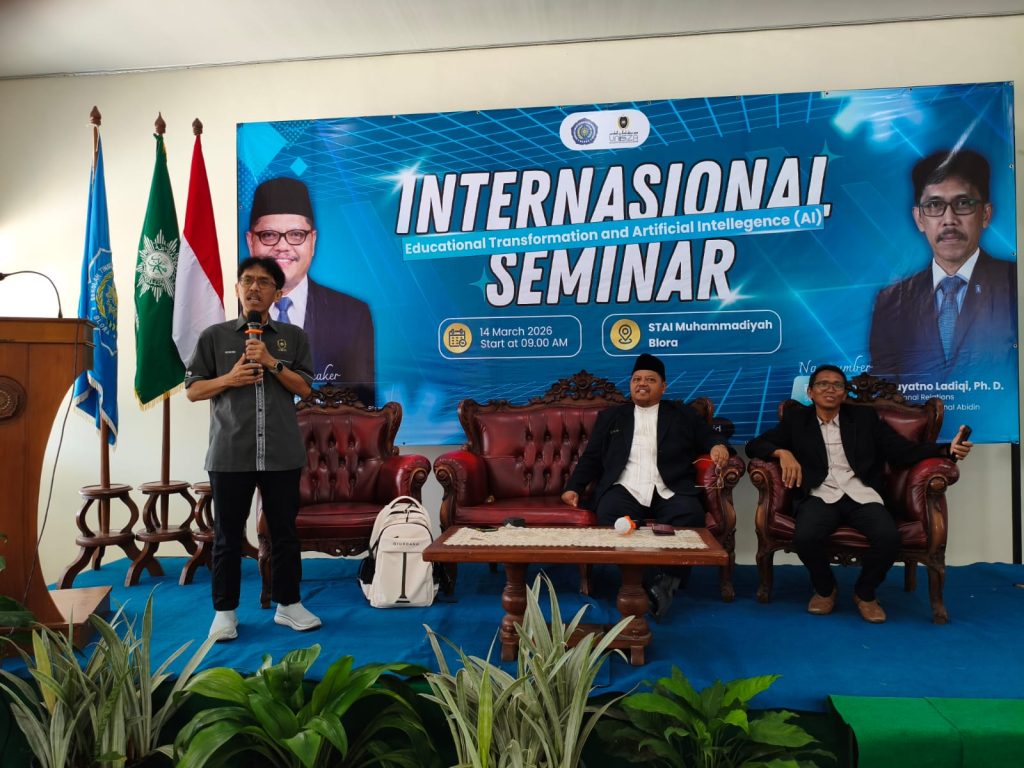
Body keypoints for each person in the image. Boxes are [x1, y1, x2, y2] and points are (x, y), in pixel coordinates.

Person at [745, 364, 972, 623]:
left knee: (888, 538)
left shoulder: (864, 419)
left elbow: (901, 451)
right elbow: (755, 446)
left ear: (844, 393)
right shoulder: (797, 420)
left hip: (861, 493)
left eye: (837, 385)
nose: (830, 389)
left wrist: (947, 450)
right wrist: (782, 452)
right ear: (810, 392)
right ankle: (825, 589)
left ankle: (865, 593)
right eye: (822, 384)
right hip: (820, 494)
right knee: (805, 536)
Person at [186, 256, 322, 641]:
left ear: (277, 294)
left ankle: (288, 605)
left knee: (284, 534)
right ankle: (224, 612)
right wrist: (229, 379)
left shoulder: (293, 337)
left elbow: (305, 388)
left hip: (281, 453)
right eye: (247, 280)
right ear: (237, 289)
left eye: (263, 282)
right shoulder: (214, 337)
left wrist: (272, 362)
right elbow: (193, 390)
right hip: (230, 453)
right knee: (227, 536)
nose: (254, 288)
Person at [560, 353, 731, 621]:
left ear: (663, 387)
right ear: (630, 384)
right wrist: (574, 487)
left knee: (690, 516)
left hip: (669, 487)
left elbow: (708, 435)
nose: (642, 384)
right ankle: (654, 583)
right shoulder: (612, 417)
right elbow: (592, 457)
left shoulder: (681, 414)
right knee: (609, 514)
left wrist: (717, 445)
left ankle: (665, 583)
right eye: (637, 379)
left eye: (650, 380)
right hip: (625, 487)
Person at [869, 148, 1017, 379]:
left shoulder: (1015, 283)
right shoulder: (892, 301)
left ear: (985, 214)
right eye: (934, 205)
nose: (949, 220)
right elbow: (883, 384)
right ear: (919, 218)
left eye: (963, 203)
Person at [246, 176, 376, 404]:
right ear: (251, 242)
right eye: (269, 235)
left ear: (313, 241)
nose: (283, 246)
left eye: (296, 234)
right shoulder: (230, 313)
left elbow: (361, 408)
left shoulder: (352, 316)